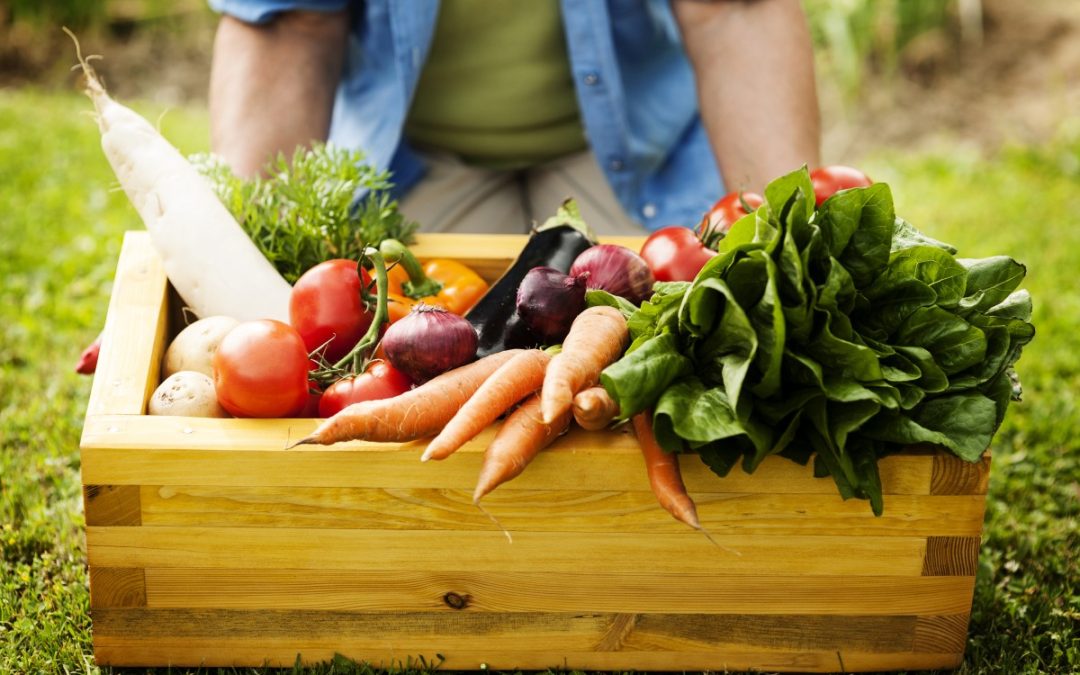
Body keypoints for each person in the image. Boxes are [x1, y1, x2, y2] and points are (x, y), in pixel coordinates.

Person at [208, 0, 820, 235]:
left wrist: (792, 244)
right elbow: (291, 20)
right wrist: (242, 254)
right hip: (413, 157)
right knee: (404, 354)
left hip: (639, 150)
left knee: (692, 347)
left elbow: (732, 9)